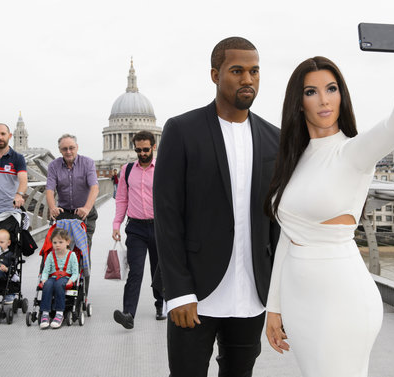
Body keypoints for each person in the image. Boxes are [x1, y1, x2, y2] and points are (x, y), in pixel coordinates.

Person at [264, 20, 394, 377]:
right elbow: (287, 235)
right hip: (301, 302)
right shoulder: (296, 159)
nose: (324, 99)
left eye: (331, 88)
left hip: (341, 300)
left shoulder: (353, 153)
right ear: (299, 103)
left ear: (342, 94)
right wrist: (274, 307)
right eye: (311, 92)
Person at [153, 37, 280, 377]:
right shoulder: (181, 130)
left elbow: (278, 223)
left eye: (254, 71)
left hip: (253, 293)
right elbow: (166, 216)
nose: (248, 79)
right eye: (237, 71)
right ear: (215, 74)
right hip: (196, 292)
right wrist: (177, 292)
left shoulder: (275, 138)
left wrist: (279, 297)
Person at [112, 130, 165, 329]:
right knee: (135, 271)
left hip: (159, 226)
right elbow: (121, 199)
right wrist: (116, 224)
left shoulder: (162, 168)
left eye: (145, 149)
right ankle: (128, 314)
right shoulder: (126, 170)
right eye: (138, 150)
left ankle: (160, 305)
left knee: (158, 270)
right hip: (135, 228)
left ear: (153, 147)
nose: (142, 153)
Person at [45, 134, 99, 249]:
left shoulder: (88, 163)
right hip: (64, 213)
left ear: (77, 147)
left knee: (83, 249)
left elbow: (94, 187)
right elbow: (49, 189)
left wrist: (87, 208)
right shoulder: (54, 166)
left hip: (85, 213)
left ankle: (84, 267)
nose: (68, 151)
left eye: (71, 148)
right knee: (61, 250)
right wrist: (52, 208)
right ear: (60, 150)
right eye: (64, 149)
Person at [38, 228, 79, 329]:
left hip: (66, 277)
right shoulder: (51, 256)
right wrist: (44, 279)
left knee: (59, 284)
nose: (57, 245)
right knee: (47, 285)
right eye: (55, 242)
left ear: (67, 242)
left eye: (61, 242)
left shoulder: (72, 255)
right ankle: (45, 313)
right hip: (53, 276)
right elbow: (46, 270)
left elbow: (75, 272)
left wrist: (71, 280)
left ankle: (59, 313)